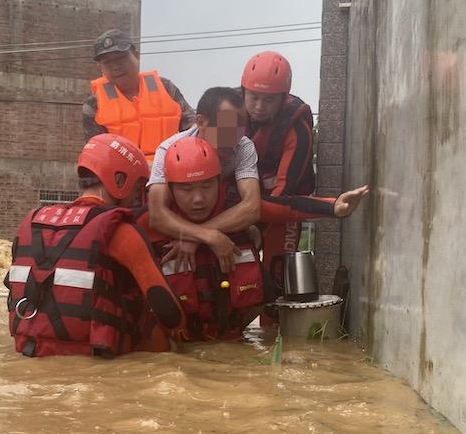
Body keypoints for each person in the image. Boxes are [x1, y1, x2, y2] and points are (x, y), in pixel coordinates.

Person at [139, 136, 369, 340]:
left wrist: (334, 206)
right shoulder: (150, 220)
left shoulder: (236, 208)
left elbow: (287, 207)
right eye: (186, 190)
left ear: (220, 182)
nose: (198, 199)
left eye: (207, 186)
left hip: (234, 340)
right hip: (179, 346)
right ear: (170, 189)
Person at [4, 134, 185, 358]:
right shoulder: (121, 232)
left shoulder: (34, 222)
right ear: (119, 181)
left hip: (30, 352)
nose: (139, 199)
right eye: (138, 188)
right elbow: (169, 311)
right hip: (94, 361)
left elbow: (12, 283)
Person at [147, 86, 261, 273]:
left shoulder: (244, 146)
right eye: (226, 127)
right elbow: (157, 215)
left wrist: (196, 237)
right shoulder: (168, 150)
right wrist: (209, 236)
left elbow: (252, 207)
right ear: (201, 122)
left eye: (240, 126)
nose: (234, 136)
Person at [240, 51, 316, 303]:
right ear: (243, 92)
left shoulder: (298, 130)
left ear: (283, 99)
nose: (259, 107)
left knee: (276, 274)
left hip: (283, 207)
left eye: (269, 100)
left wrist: (255, 225)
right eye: (254, 97)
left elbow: (283, 193)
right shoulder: (228, 114)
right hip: (242, 205)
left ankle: (275, 334)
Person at [82, 29, 196, 162]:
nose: (116, 67)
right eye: (107, 62)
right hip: (124, 178)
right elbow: (97, 154)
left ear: (136, 55)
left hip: (171, 172)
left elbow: (193, 129)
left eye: (121, 58)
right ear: (100, 68)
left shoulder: (165, 87)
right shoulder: (93, 105)